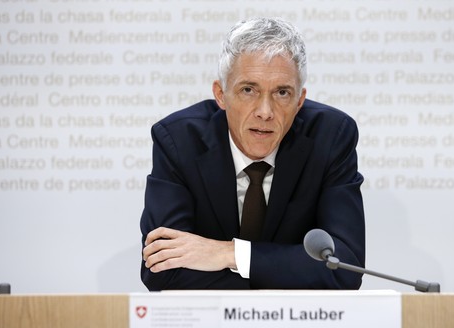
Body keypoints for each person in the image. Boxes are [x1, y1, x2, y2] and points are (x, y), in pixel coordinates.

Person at [140, 17, 365, 290]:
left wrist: (230, 254)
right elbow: (161, 269)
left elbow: (344, 268)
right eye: (248, 90)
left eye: (282, 93)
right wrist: (284, 276)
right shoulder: (178, 141)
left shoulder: (331, 137)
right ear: (221, 95)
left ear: (300, 101)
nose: (265, 112)